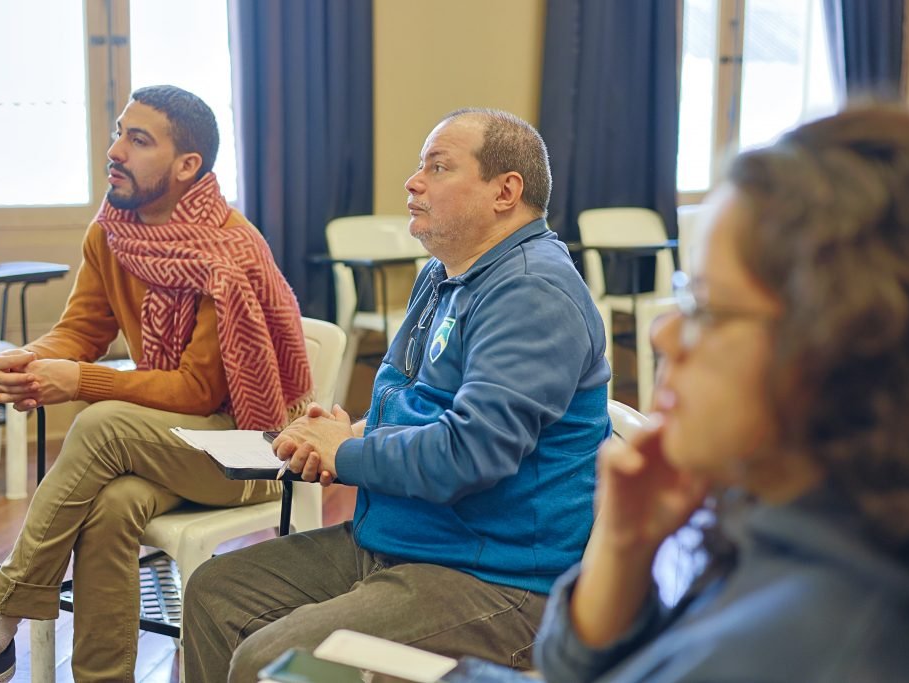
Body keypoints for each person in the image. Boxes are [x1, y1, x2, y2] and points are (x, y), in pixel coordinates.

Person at [181, 108, 611, 681]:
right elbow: (413, 401)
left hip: (492, 578)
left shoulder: (531, 292)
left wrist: (346, 452)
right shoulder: (445, 274)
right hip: (404, 540)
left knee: (273, 659)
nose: (414, 182)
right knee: (217, 590)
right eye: (419, 166)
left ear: (506, 191)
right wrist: (347, 432)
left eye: (438, 167)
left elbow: (469, 454)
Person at [535, 106, 909, 682]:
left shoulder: (796, 648)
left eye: (706, 308)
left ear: (835, 345)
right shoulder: (781, 526)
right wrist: (622, 549)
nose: (664, 333)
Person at [0, 85, 312, 683]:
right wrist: (31, 360)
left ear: (187, 165)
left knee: (101, 421)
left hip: (254, 448)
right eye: (119, 132)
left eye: (139, 140)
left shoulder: (227, 253)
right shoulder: (113, 231)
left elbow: (195, 391)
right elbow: (80, 330)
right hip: (178, 446)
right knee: (112, 505)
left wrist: (81, 382)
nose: (115, 149)